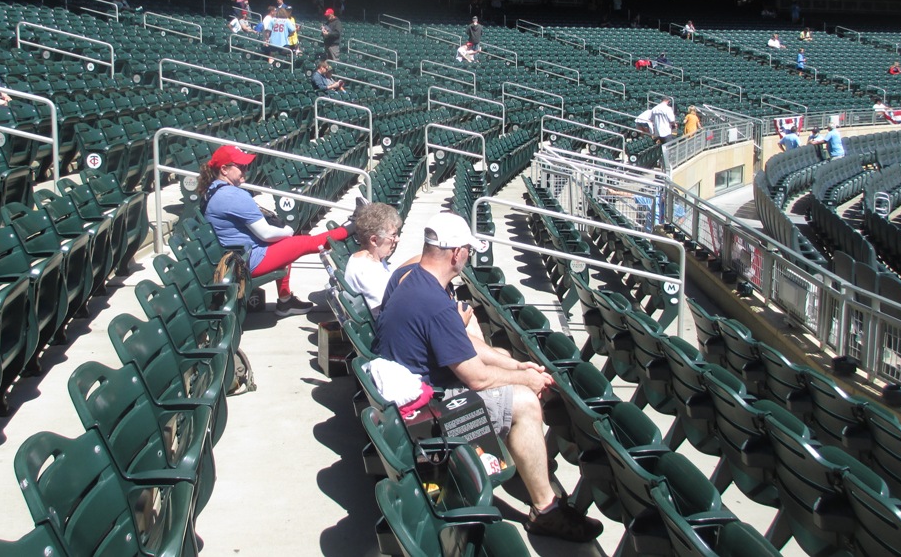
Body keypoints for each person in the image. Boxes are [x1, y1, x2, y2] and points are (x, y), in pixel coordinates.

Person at [372, 212, 604, 543]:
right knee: (523, 402)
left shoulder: (409, 277)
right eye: (467, 250)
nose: (468, 256)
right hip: (426, 422)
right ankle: (546, 511)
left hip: (406, 405)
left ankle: (534, 471)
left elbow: (463, 347)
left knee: (514, 376)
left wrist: (520, 369)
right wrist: (528, 382)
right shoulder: (435, 304)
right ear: (456, 254)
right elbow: (478, 379)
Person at [198, 145, 362, 317]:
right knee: (305, 242)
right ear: (224, 169)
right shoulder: (232, 195)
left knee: (286, 245)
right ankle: (353, 226)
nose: (246, 170)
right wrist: (288, 231)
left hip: (238, 255)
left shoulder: (213, 189)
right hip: (246, 260)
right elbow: (266, 234)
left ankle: (285, 302)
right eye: (241, 166)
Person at [343, 203, 403, 315]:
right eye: (393, 235)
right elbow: (388, 307)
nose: (397, 239)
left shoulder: (375, 258)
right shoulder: (365, 269)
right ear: (374, 240)